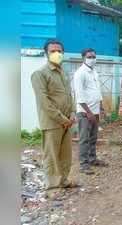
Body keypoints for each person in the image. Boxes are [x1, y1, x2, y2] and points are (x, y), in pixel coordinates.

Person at [31, 39, 79, 194]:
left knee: (65, 154)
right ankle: (52, 186)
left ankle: (63, 180)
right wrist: (62, 119)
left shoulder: (63, 73)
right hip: (52, 122)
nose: (56, 54)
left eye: (59, 51)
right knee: (51, 155)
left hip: (67, 121)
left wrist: (72, 114)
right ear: (46, 53)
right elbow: (44, 102)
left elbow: (69, 95)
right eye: (52, 51)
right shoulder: (40, 74)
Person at [73, 48, 108, 175]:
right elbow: (79, 95)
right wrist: (88, 112)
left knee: (93, 137)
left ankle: (92, 159)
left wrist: (101, 107)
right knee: (84, 139)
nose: (92, 59)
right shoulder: (80, 73)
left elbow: (97, 91)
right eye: (89, 57)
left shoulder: (94, 72)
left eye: (94, 56)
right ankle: (84, 164)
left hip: (95, 110)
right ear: (83, 58)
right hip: (85, 112)